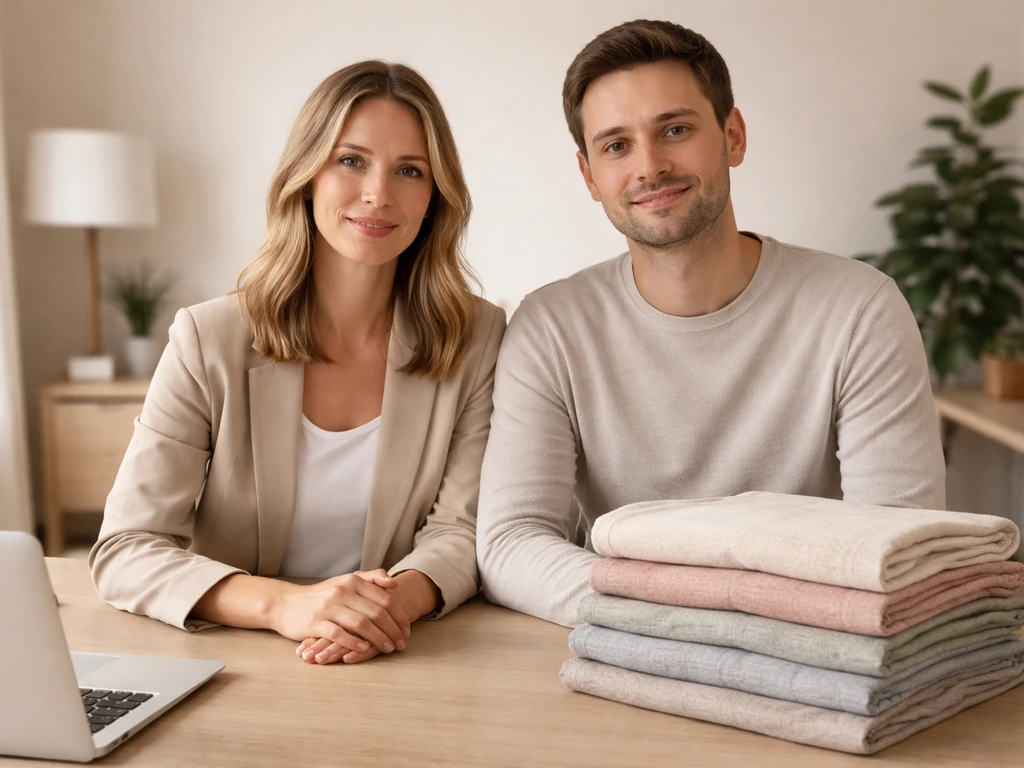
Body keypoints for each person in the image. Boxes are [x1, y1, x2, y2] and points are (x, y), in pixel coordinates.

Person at [476, 19, 945, 628]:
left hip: (816, 662)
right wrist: (697, 625)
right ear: (590, 177)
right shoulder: (550, 327)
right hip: (631, 658)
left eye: (675, 129)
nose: (649, 167)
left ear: (733, 135)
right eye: (616, 145)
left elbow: (897, 548)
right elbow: (512, 544)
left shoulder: (860, 309)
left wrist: (708, 623)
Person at [90, 60, 506, 665]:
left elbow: (462, 530)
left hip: (401, 654)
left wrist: (385, 609)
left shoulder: (476, 335)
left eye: (409, 171)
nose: (378, 194)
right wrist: (288, 606)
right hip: (236, 655)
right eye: (351, 160)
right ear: (306, 176)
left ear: (433, 199)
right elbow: (127, 546)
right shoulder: (209, 338)